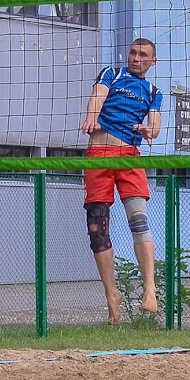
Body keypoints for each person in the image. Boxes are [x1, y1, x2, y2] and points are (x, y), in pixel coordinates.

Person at [79, 38, 163, 325]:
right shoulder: (112, 74)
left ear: (153, 62)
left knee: (138, 222)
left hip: (128, 154)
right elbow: (97, 97)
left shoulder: (153, 92)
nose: (136, 58)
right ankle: (111, 295)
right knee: (97, 229)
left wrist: (148, 130)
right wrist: (91, 118)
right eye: (133, 53)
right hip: (99, 153)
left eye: (142, 55)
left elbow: (155, 125)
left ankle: (149, 288)